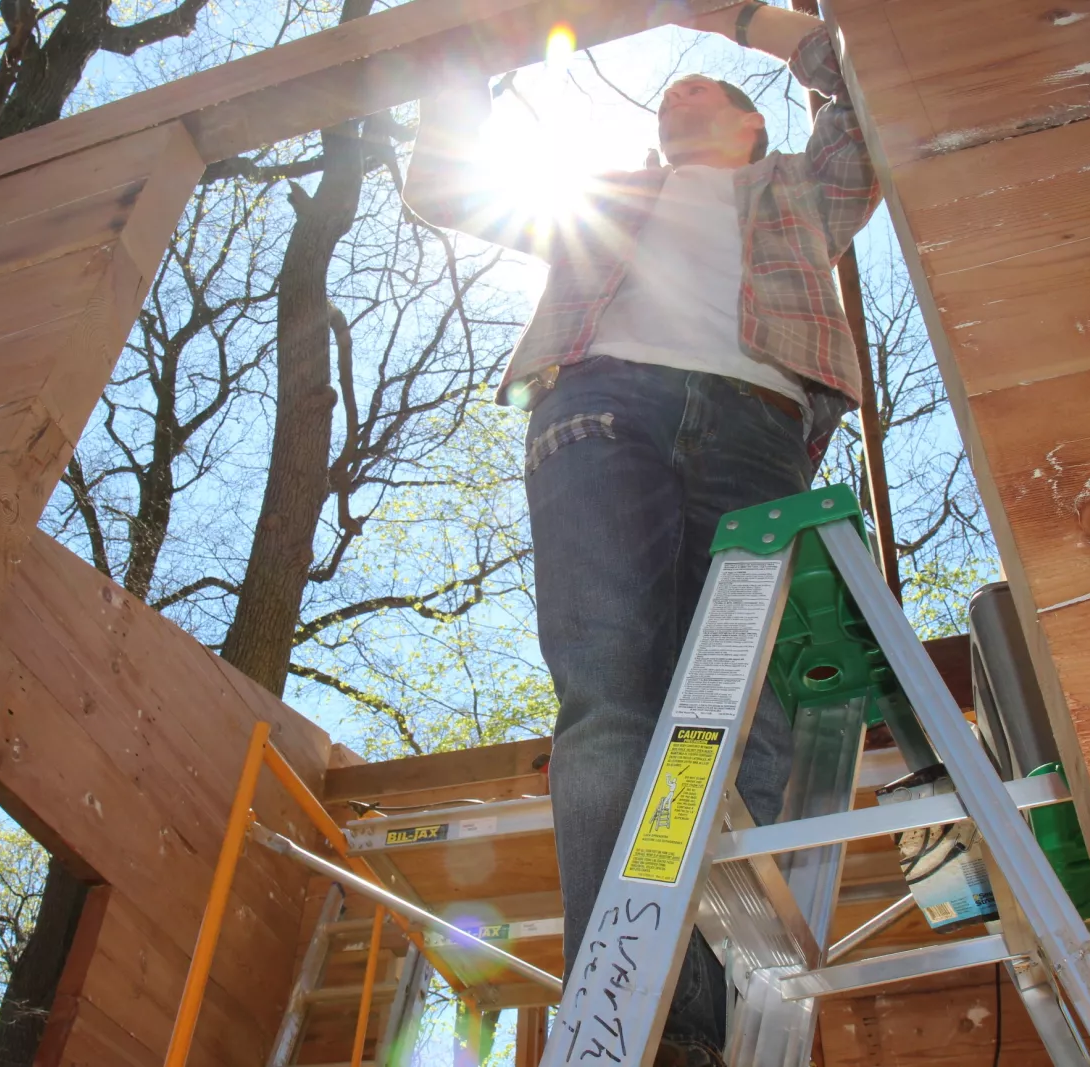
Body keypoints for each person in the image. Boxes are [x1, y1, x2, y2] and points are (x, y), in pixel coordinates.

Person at [403, 4, 879, 1063]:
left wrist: (752, 21)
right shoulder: (601, 198)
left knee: (738, 715)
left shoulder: (800, 188)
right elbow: (442, 183)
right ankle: (624, 1014)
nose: (675, 97)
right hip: (599, 410)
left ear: (754, 127)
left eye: (697, 88)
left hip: (756, 422)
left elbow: (870, 90)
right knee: (612, 695)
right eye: (666, 95)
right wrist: (463, 64)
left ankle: (699, 1030)